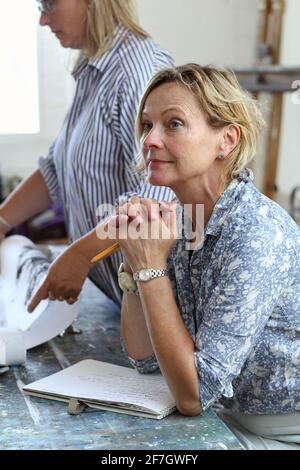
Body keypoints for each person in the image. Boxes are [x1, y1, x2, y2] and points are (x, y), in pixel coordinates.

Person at [107, 63, 300, 450]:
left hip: (280, 430)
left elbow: (193, 395)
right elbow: (146, 360)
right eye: (147, 125)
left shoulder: (255, 233)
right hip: (227, 413)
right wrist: (132, 261)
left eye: (173, 124)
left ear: (226, 140)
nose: (150, 140)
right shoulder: (183, 218)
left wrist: (150, 267)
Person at [0, 0, 174, 308]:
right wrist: (1, 221)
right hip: (124, 298)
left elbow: (156, 198)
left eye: (49, 4)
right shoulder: (94, 71)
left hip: (157, 305)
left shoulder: (136, 71)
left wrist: (81, 254)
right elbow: (55, 169)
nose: (42, 19)